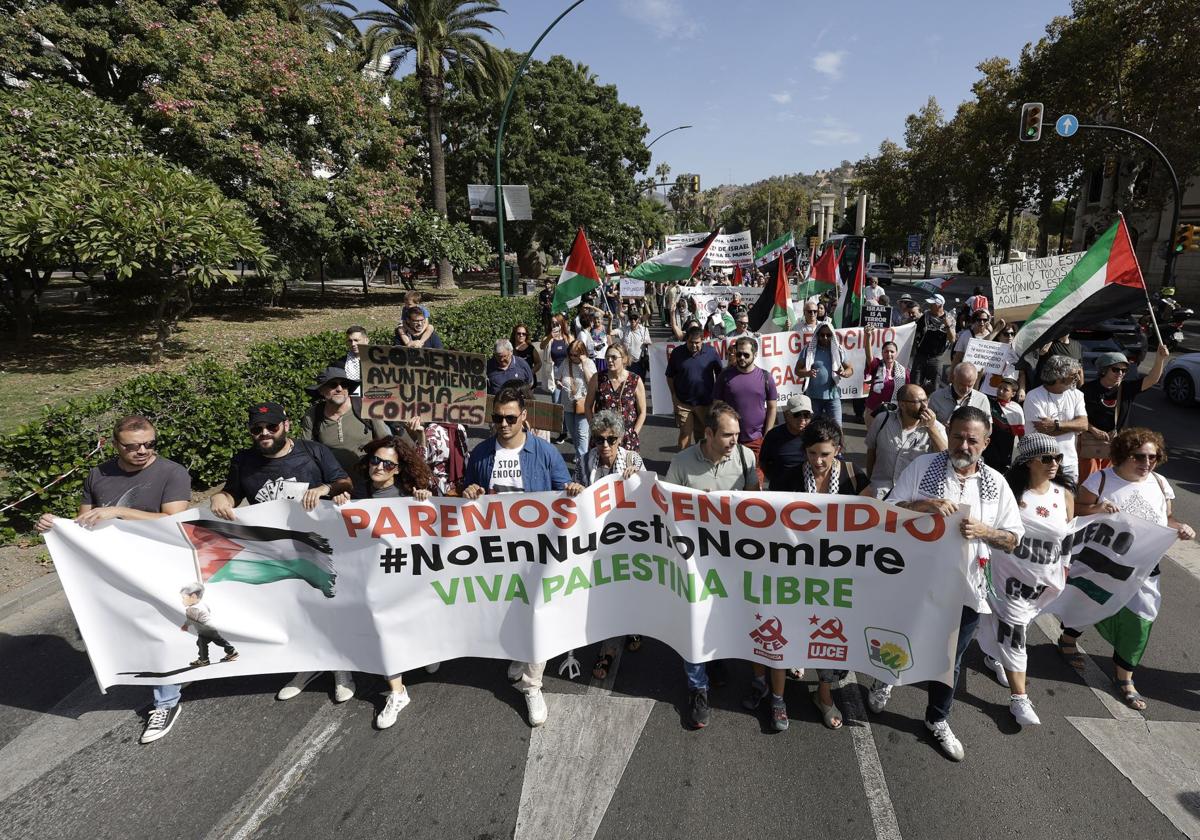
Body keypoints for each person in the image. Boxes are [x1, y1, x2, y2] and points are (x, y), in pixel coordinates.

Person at [866, 406, 1023, 761]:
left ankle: (937, 719)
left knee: (948, 659)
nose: (963, 445)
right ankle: (885, 680)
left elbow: (1013, 539)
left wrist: (986, 531)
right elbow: (887, 511)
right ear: (947, 433)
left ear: (985, 443)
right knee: (900, 638)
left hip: (966, 589)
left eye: (972, 439)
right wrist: (922, 506)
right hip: (914, 581)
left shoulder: (996, 485)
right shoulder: (922, 468)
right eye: (957, 436)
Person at [35, 415, 192, 744]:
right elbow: (84, 522)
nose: (143, 451)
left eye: (150, 444)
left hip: (160, 566)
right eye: (133, 446)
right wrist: (55, 525)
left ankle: (166, 701)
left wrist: (118, 512)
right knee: (137, 629)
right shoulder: (98, 474)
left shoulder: (172, 472)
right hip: (116, 570)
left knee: (158, 629)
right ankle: (179, 675)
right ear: (115, 445)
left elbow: (174, 521)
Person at [461, 385, 584, 727]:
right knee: (508, 608)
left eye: (510, 418)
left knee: (537, 612)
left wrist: (571, 490)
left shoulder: (544, 453)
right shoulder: (482, 453)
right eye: (497, 418)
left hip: (538, 550)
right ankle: (519, 656)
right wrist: (469, 490)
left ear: (524, 417)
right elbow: (467, 490)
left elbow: (563, 489)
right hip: (496, 550)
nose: (503, 424)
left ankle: (532, 685)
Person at [211, 403, 352, 700]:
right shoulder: (243, 460)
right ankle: (308, 665)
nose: (264, 433)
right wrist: (218, 497)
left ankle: (341, 666)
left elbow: (344, 482)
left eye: (271, 427)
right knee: (292, 608)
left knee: (327, 603)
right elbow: (232, 494)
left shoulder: (313, 451)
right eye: (257, 429)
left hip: (317, 543)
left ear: (285, 425)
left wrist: (325, 489)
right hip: (274, 548)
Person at [1060, 428, 1195, 711]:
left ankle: (1125, 678)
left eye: (1153, 456)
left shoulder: (1159, 483)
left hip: (1144, 567)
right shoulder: (1101, 480)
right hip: (1102, 563)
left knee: (1142, 618)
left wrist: (1180, 527)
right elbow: (1076, 512)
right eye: (1139, 456)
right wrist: (1096, 508)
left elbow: (1167, 518)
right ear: (1123, 454)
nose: (1147, 462)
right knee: (1086, 602)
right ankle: (1068, 638)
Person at [329, 436, 434, 728]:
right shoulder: (357, 491)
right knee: (384, 628)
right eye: (376, 460)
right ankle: (397, 691)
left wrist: (423, 502)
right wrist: (339, 502)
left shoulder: (407, 494)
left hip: (404, 574)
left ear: (398, 469)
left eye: (388, 464)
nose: (379, 467)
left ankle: (426, 651)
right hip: (370, 576)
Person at [665, 402, 758, 728]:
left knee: (722, 614)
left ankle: (715, 660)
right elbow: (666, 510)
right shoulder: (681, 463)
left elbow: (753, 505)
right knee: (694, 619)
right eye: (728, 435)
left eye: (737, 434)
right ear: (708, 433)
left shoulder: (746, 458)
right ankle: (697, 688)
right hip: (692, 561)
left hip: (730, 558)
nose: (735, 440)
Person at [771, 418, 868, 731]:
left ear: (838, 450)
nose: (818, 461)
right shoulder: (788, 477)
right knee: (791, 626)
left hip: (838, 574)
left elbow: (876, 523)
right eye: (812, 453)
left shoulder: (855, 476)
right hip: (795, 571)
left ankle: (824, 695)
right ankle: (786, 677)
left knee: (831, 634)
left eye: (825, 454)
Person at [977, 434, 1074, 726]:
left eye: (1058, 458)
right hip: (1006, 578)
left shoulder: (1064, 495)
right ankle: (1020, 699)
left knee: (1014, 627)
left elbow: (1068, 535)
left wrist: (1065, 566)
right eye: (1047, 458)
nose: (1054, 463)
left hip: (1040, 583)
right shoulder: (1007, 493)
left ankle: (994, 658)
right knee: (1016, 633)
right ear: (1028, 461)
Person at [580, 410, 647, 679]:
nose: (605, 445)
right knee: (606, 592)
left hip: (629, 539)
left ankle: (633, 624)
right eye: (599, 439)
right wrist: (575, 489)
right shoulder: (586, 461)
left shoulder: (633, 459)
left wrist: (637, 479)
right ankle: (607, 650)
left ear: (620, 439)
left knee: (628, 589)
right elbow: (581, 496)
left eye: (611, 439)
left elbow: (649, 499)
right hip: (599, 541)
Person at [1078, 347, 1169, 481]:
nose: (1120, 373)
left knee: (1112, 481)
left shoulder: (1126, 389)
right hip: (1091, 445)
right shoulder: (1087, 390)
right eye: (1116, 369)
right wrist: (1093, 429)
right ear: (1104, 370)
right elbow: (1078, 416)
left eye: (1124, 370)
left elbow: (1152, 379)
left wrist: (1160, 358)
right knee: (1089, 480)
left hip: (1117, 444)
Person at [862, 384, 947, 500]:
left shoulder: (936, 428)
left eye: (925, 400)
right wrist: (870, 482)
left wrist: (931, 429)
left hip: (912, 496)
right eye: (918, 402)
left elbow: (946, 458)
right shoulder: (882, 420)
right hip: (880, 492)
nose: (924, 406)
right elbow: (871, 450)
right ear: (902, 404)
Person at [713, 336, 778, 484]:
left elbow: (772, 407)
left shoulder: (766, 377)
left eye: (746, 354)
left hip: (755, 440)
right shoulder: (724, 376)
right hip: (729, 439)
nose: (741, 357)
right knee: (728, 481)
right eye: (738, 354)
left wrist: (766, 435)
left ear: (755, 355)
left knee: (754, 483)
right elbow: (717, 406)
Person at [300, 366, 390, 471]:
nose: (339, 389)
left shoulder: (365, 407)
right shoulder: (313, 415)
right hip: (333, 480)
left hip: (366, 478)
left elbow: (387, 442)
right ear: (321, 390)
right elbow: (306, 451)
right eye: (333, 385)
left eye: (344, 385)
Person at [1023, 355, 1088, 482]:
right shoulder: (1034, 396)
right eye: (1074, 375)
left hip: (1069, 462)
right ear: (1059, 376)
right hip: (1042, 462)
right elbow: (1044, 431)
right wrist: (1073, 427)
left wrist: (1056, 424)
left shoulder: (1077, 394)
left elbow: (1084, 425)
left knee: (1069, 500)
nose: (1078, 378)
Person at [665, 325, 723, 452]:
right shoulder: (677, 353)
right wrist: (674, 395)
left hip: (705, 403)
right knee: (685, 434)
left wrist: (717, 398)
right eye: (691, 342)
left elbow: (720, 375)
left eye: (697, 343)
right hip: (683, 403)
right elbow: (669, 376)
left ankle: (700, 461)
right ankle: (682, 465)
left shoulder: (712, 353)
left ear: (703, 340)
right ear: (686, 340)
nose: (694, 345)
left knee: (701, 435)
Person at [585, 343, 646, 455]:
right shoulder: (597, 378)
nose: (609, 360)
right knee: (601, 470)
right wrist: (594, 429)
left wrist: (634, 433)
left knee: (626, 471)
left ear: (624, 359)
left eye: (613, 357)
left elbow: (642, 412)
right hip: (602, 439)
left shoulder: (635, 380)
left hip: (626, 438)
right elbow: (588, 406)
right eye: (607, 357)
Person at [794, 322, 852, 425]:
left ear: (832, 335)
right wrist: (807, 373)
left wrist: (844, 373)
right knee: (811, 428)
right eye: (822, 335)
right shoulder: (808, 350)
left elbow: (850, 369)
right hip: (813, 398)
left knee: (837, 428)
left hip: (833, 397)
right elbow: (797, 370)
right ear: (817, 335)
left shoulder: (838, 350)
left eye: (828, 335)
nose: (825, 337)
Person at [758, 394, 814, 491]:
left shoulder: (815, 435)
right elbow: (764, 462)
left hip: (808, 491)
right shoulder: (773, 436)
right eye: (797, 414)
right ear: (786, 415)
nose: (802, 420)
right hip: (780, 493)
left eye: (806, 415)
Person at [556, 339, 596, 473]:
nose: (572, 357)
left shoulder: (589, 363)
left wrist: (584, 363)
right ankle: (584, 455)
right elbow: (558, 377)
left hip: (583, 404)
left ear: (582, 353)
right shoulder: (565, 362)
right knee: (574, 435)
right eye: (571, 354)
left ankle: (582, 469)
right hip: (567, 404)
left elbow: (592, 382)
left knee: (582, 435)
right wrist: (558, 383)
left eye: (576, 355)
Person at [180, 582, 237, 668]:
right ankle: (232, 651)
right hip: (211, 627)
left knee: (202, 644)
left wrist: (185, 625)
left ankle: (204, 660)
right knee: (218, 641)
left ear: (194, 596)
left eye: (184, 598)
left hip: (204, 630)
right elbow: (208, 611)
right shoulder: (203, 604)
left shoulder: (191, 609)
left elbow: (191, 620)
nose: (182, 600)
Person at [912, 294, 956, 391]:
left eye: (932, 304)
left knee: (934, 387)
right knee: (915, 385)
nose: (929, 306)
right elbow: (915, 332)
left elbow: (952, 339)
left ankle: (931, 405)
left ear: (940, 305)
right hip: (921, 356)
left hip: (936, 359)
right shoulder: (925, 316)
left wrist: (947, 326)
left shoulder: (949, 319)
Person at [982, 374, 1026, 472]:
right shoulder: (988, 403)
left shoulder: (1016, 410)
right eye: (999, 388)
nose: (1000, 391)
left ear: (1013, 394)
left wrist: (1024, 452)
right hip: (987, 450)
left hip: (1004, 452)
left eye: (1005, 390)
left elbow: (1020, 434)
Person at [863, 338, 908, 427]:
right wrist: (868, 336)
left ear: (896, 353)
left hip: (894, 413)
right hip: (873, 411)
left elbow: (906, 393)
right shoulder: (876, 365)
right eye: (886, 351)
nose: (889, 354)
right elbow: (869, 356)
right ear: (882, 353)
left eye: (892, 351)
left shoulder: (904, 372)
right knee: (873, 440)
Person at [929, 362, 991, 427]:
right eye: (962, 385)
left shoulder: (982, 399)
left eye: (970, 385)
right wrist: (940, 428)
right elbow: (925, 425)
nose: (966, 389)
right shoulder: (936, 397)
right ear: (953, 378)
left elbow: (988, 428)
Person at [541, 314, 571, 442]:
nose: (554, 325)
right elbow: (542, 346)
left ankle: (572, 428)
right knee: (557, 403)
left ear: (562, 324)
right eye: (552, 323)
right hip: (554, 375)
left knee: (570, 402)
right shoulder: (549, 339)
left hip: (568, 374)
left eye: (557, 323)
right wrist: (549, 337)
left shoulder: (568, 338)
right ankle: (563, 431)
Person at [619, 309, 652, 378]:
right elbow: (611, 332)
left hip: (640, 362)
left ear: (638, 319)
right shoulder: (624, 329)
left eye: (635, 318)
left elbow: (649, 343)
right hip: (628, 362)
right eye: (631, 318)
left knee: (640, 383)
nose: (633, 320)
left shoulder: (644, 330)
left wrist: (647, 342)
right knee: (628, 383)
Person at [342, 325, 368, 394]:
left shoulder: (379, 361)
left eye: (356, 340)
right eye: (350, 341)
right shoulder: (341, 363)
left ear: (366, 340)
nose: (353, 344)